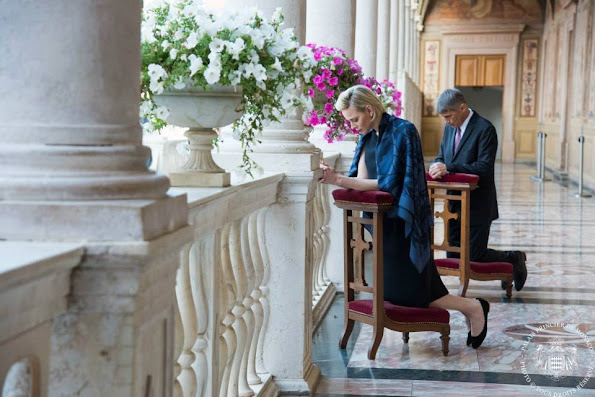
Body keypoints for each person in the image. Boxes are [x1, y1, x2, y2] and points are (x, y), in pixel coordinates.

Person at [319, 85, 489, 348]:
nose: (353, 127)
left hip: (404, 224)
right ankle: (473, 307)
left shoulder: (403, 131)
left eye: (355, 119)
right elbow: (362, 180)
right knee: (415, 289)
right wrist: (334, 177)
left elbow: (388, 184)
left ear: (369, 109)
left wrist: (337, 178)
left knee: (412, 293)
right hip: (380, 225)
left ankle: (473, 307)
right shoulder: (367, 137)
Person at [428, 88, 527, 291]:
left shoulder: (485, 129)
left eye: (449, 116)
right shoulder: (448, 129)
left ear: (462, 108)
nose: (446, 121)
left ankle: (513, 258)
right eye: (443, 118)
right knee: (453, 255)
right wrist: (436, 164)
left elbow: (484, 168)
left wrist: (450, 167)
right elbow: (442, 156)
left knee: (474, 256)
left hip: (478, 204)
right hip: (453, 204)